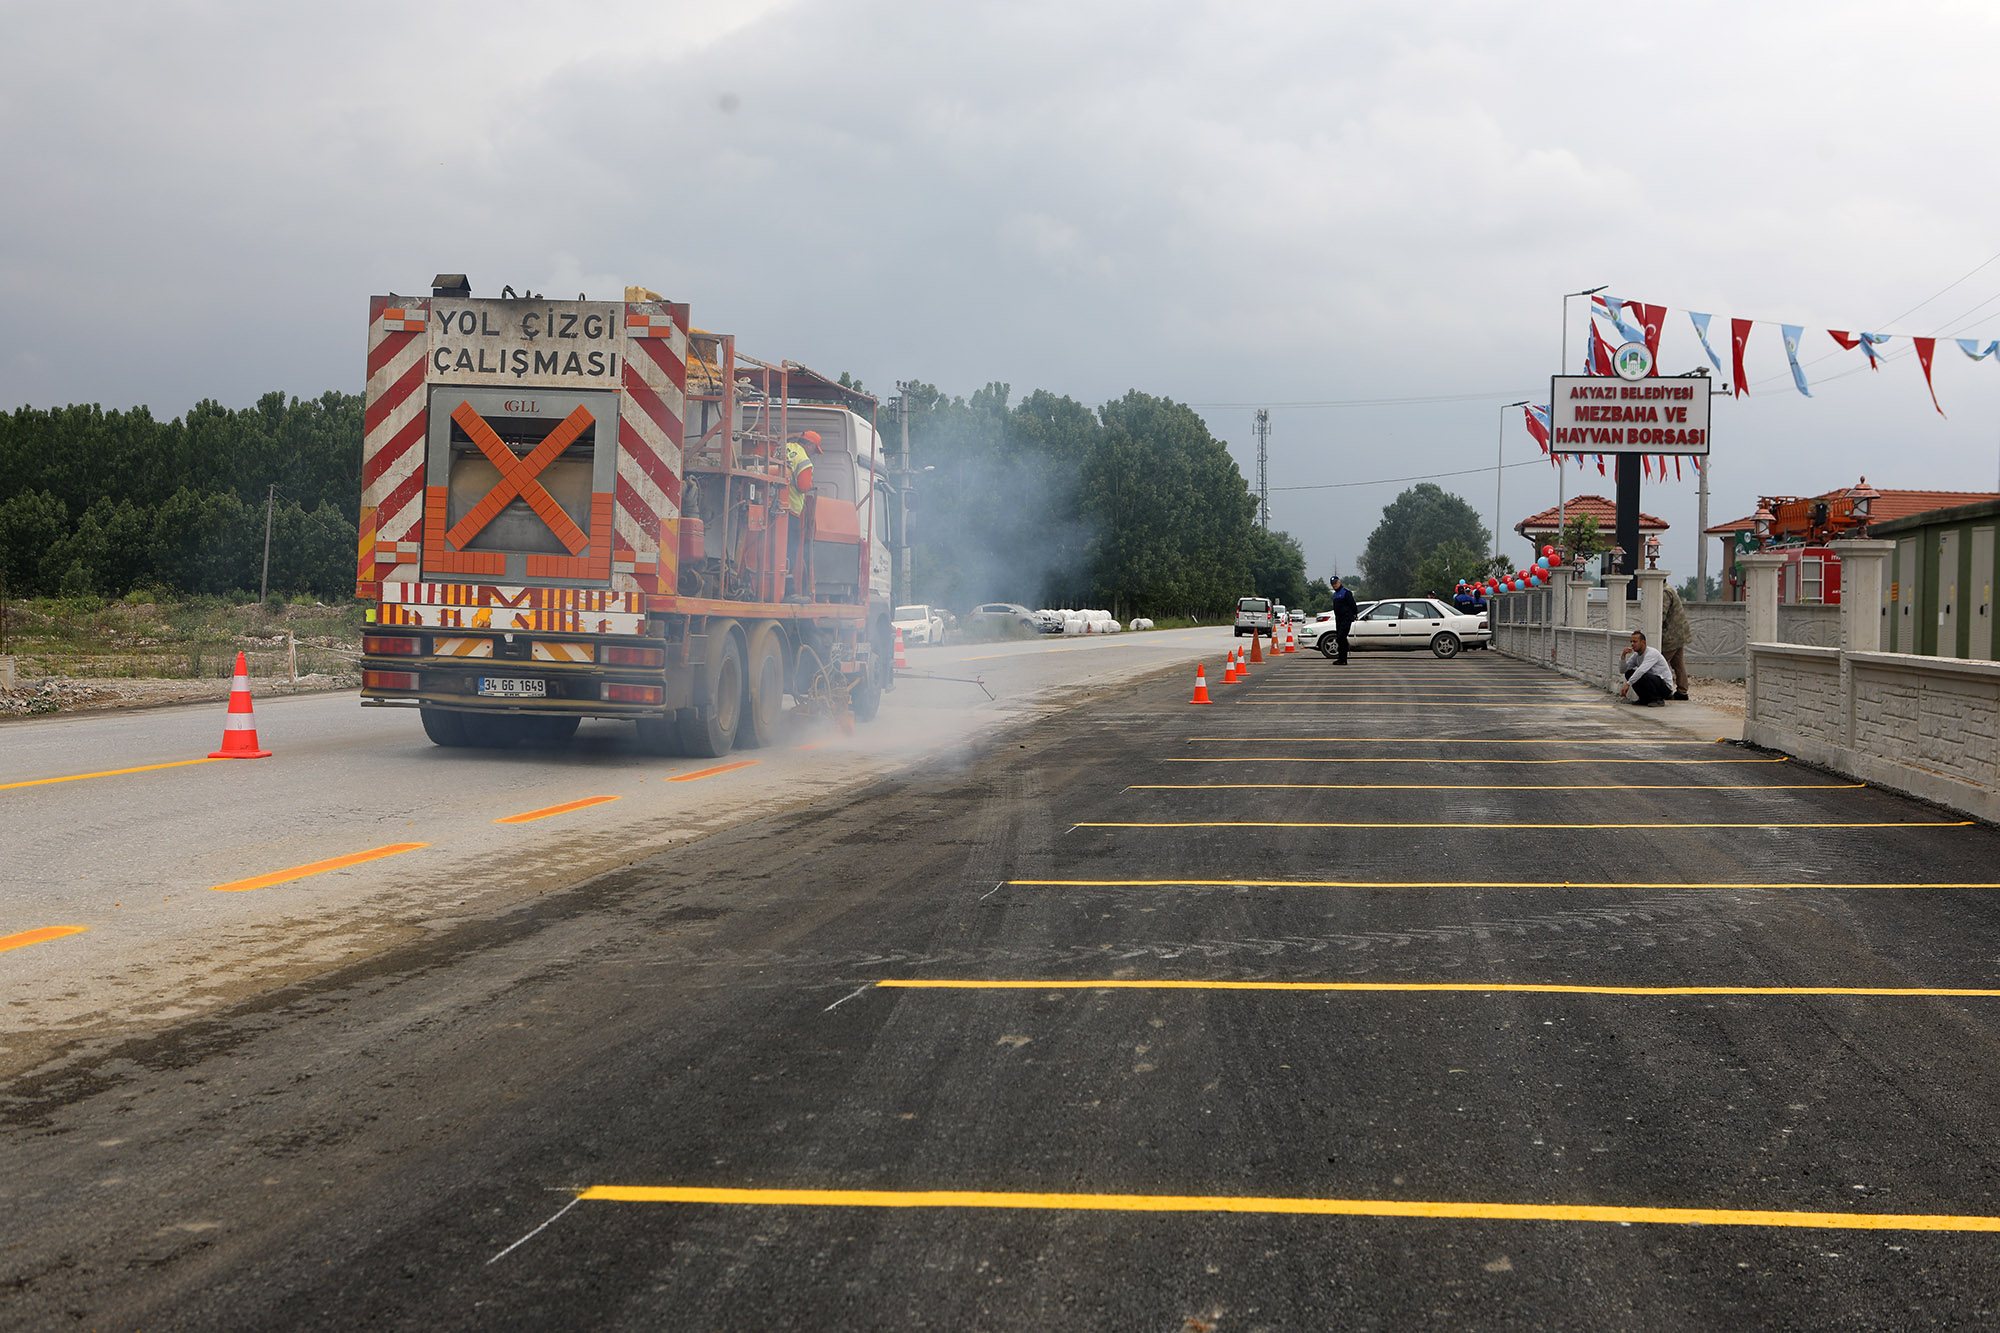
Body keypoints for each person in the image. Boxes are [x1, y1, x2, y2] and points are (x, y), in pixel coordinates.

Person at [782, 430, 819, 597]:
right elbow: (803, 486)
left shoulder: (784, 448)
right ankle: (788, 590)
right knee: (789, 551)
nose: (814, 454)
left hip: (770, 505)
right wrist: (811, 485)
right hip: (791, 511)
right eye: (815, 450)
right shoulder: (803, 460)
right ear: (809, 445)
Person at [1619, 629, 1675, 705]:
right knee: (1629, 673)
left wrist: (1628, 684)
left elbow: (1641, 670)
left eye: (1635, 642)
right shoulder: (1636, 655)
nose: (1632, 644)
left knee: (1642, 675)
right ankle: (1644, 699)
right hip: (1652, 682)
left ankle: (1658, 700)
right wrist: (1623, 656)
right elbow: (1623, 670)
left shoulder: (1651, 653)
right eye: (1631, 642)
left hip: (1664, 687)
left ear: (1643, 642)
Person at [1661, 584, 1692, 701]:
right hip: (1679, 633)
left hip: (1671, 634)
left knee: (1660, 662)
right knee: (1678, 663)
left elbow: (1661, 614)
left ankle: (1664, 689)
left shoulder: (1665, 592)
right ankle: (1682, 691)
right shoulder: (1668, 589)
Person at [1328, 575, 1359, 664]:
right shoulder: (1335, 595)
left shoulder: (1346, 592)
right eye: (1332, 584)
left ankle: (1343, 659)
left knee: (1341, 637)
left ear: (1339, 582)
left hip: (1346, 618)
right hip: (1339, 619)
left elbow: (1352, 604)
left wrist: (1355, 614)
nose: (1334, 585)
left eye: (1335, 583)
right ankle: (1341, 658)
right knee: (1339, 638)